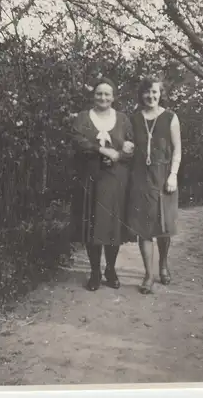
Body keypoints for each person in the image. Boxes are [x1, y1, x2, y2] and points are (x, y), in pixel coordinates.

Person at [71, 77, 134, 292]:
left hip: (116, 179)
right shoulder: (82, 118)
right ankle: (95, 271)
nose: (103, 97)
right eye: (99, 93)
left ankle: (111, 270)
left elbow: (131, 147)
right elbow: (79, 142)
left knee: (113, 227)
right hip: (91, 179)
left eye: (107, 94)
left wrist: (121, 152)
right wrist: (101, 150)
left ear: (113, 97)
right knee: (93, 226)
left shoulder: (123, 119)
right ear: (93, 95)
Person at [127, 76, 181, 294]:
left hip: (164, 175)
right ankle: (148, 275)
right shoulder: (134, 119)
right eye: (147, 92)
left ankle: (163, 265)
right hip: (140, 177)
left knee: (164, 226)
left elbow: (177, 149)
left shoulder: (170, 117)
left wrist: (173, 175)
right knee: (144, 227)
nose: (151, 96)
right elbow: (128, 145)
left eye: (155, 92)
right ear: (141, 94)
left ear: (160, 94)